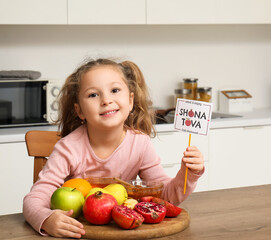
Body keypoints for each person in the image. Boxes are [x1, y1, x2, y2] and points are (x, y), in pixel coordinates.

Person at [23, 58, 204, 238]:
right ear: (80, 111)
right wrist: (46, 219)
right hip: (81, 233)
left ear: (130, 100)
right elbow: (34, 200)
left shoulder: (140, 144)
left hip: (124, 232)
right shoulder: (68, 148)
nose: (106, 100)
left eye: (115, 90)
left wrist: (187, 174)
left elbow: (165, 197)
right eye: (93, 94)